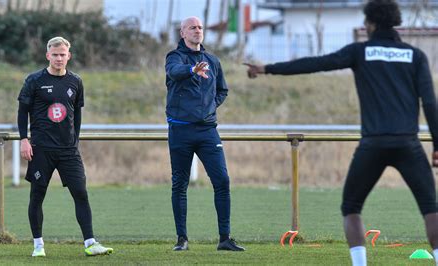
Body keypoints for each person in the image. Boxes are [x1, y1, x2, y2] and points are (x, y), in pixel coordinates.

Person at [244, 0, 438, 265]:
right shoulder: (415, 56)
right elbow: (430, 103)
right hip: (409, 144)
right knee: (430, 209)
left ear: (370, 23)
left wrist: (267, 68)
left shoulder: (360, 51)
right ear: (394, 21)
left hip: (373, 144)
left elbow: (317, 63)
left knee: (351, 208)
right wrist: (437, 145)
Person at [17, 36, 113, 257]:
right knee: (37, 195)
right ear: (47, 55)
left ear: (69, 56)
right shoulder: (34, 80)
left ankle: (90, 243)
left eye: (63, 55)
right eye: (55, 54)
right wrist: (24, 139)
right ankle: (38, 245)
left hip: (68, 150)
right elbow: (23, 112)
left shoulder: (76, 81)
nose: (59, 58)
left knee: (81, 193)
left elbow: (76, 113)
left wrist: (75, 141)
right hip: (41, 148)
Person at [165, 16, 245, 252]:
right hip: (180, 129)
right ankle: (182, 239)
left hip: (207, 131)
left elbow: (222, 90)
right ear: (183, 33)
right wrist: (192, 69)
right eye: (192, 27)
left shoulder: (212, 60)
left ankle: (225, 238)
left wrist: (209, 107)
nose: (198, 31)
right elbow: (176, 73)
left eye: (200, 27)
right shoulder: (174, 57)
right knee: (179, 184)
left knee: (222, 181)